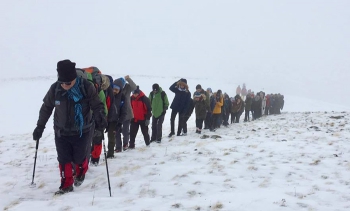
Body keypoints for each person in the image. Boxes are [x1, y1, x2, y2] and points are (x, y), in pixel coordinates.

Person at [32, 60, 107, 195]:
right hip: (61, 131)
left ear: (74, 78)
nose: (65, 86)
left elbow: (97, 104)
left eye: (68, 83)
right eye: (62, 82)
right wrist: (40, 127)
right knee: (64, 159)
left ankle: (81, 172)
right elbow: (46, 108)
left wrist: (101, 117)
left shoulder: (86, 87)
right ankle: (66, 185)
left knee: (79, 158)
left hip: (81, 131)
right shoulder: (55, 89)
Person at [113, 75, 137, 151]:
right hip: (116, 113)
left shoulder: (127, 87)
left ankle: (125, 144)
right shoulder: (114, 90)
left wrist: (128, 79)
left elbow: (134, 87)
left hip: (127, 113)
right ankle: (118, 147)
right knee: (117, 131)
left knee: (125, 131)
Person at [107, 80, 127, 156]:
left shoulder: (122, 97)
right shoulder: (108, 94)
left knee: (111, 138)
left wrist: (120, 123)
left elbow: (124, 112)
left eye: (117, 89)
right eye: (114, 88)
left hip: (114, 120)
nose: (114, 91)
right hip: (105, 119)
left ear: (120, 90)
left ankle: (110, 154)